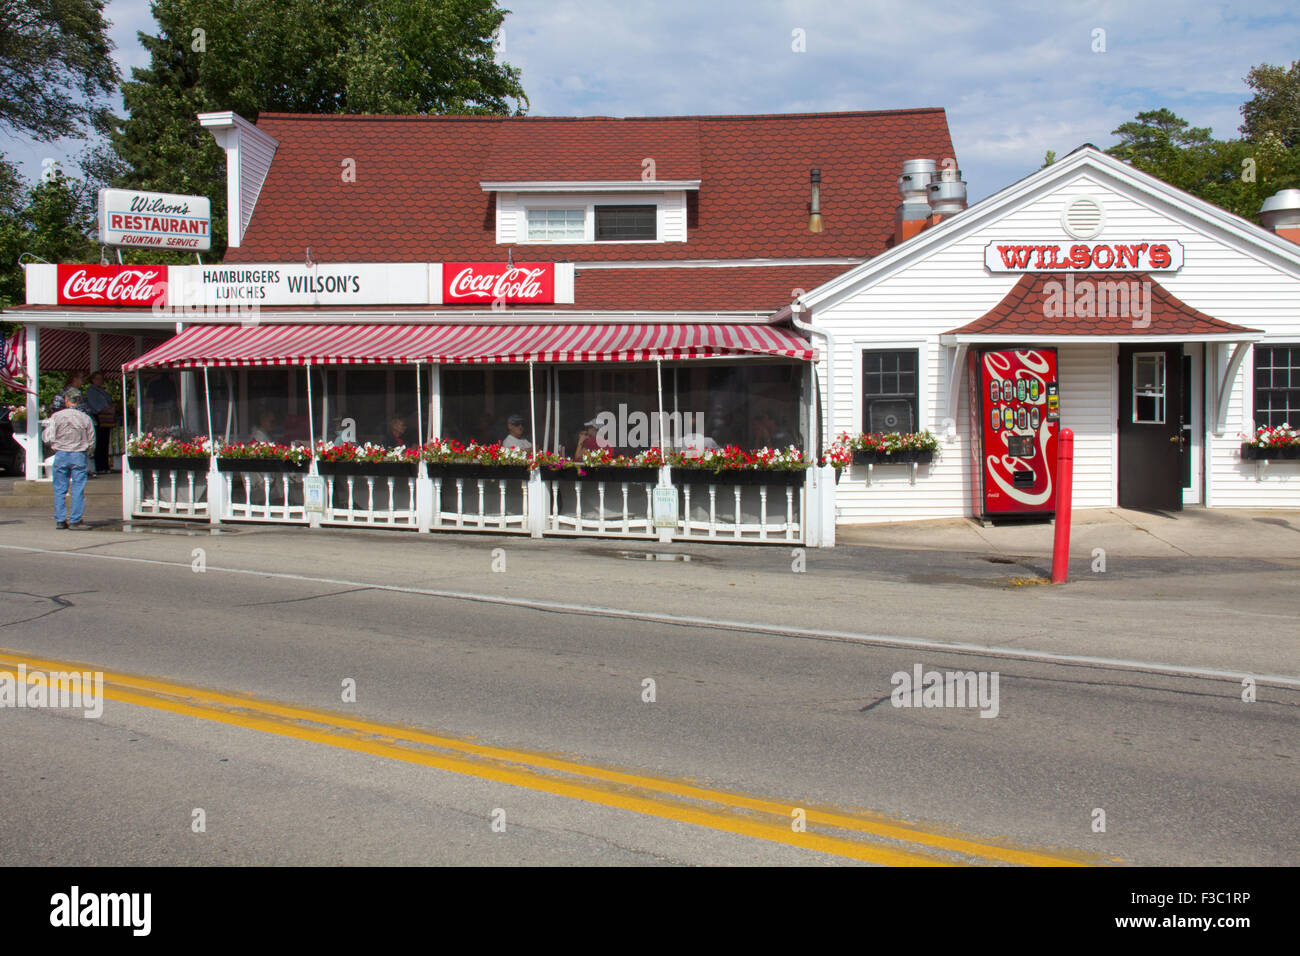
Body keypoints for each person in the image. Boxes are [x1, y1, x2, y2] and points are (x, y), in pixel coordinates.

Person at [43, 393, 95, 530]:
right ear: (78, 401)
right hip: (78, 454)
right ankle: (75, 519)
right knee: (78, 488)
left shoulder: (56, 417)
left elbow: (48, 437)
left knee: (60, 488)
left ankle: (60, 519)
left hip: (61, 453)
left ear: (66, 400)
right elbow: (91, 441)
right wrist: (87, 453)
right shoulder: (85, 418)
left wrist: (55, 446)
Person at [82, 371, 114, 474]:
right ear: (93, 379)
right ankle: (99, 466)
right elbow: (95, 405)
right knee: (99, 442)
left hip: (106, 418)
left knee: (105, 442)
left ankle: (105, 465)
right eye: (97, 379)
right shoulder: (90, 390)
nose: (100, 381)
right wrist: (106, 409)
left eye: (101, 379)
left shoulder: (102, 391)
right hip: (98, 417)